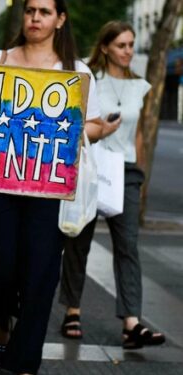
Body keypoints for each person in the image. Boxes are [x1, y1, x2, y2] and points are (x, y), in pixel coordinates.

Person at [0, 1, 119, 374]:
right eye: (29, 11)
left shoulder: (76, 71)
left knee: (40, 274)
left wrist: (86, 129)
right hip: (1, 184)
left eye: (44, 11)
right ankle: (3, 317)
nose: (35, 18)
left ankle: (24, 362)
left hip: (50, 192)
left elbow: (89, 125)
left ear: (60, 19)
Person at [58, 20, 165, 349]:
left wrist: (140, 173)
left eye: (131, 45)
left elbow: (137, 133)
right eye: (122, 45)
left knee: (128, 245)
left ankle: (132, 322)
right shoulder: (89, 78)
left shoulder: (140, 86)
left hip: (126, 172)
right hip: (91, 168)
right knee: (79, 241)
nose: (129, 51)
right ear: (105, 47)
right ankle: (72, 311)